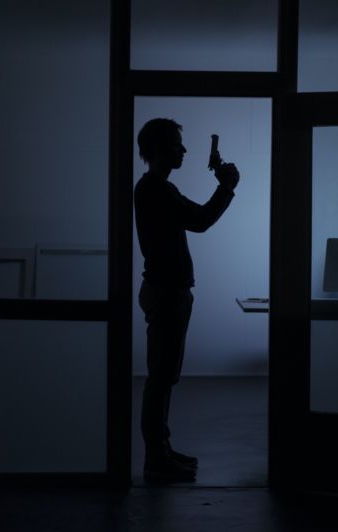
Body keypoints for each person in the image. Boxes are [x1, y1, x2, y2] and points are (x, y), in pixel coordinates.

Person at [134, 118, 240, 482]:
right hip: (167, 294)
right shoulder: (158, 190)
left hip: (164, 291)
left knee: (162, 378)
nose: (184, 150)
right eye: (178, 144)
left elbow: (196, 220)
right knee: (161, 379)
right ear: (161, 149)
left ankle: (160, 450)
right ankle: (156, 457)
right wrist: (227, 187)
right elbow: (201, 220)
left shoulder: (154, 188)